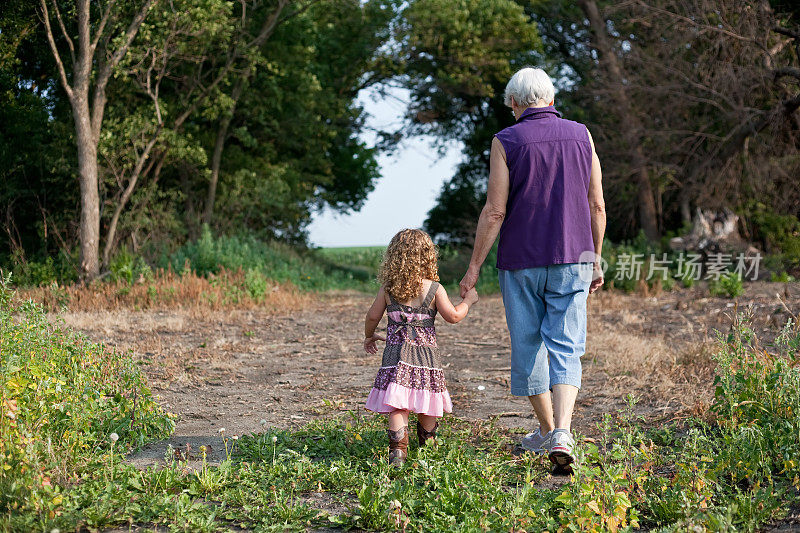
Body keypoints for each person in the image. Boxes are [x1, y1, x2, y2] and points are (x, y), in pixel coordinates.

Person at [458, 67, 606, 473]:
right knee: (566, 345)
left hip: (521, 260)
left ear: (513, 103)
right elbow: (597, 205)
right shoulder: (583, 135)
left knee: (528, 345)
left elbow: (495, 211)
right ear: (551, 98)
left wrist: (472, 270)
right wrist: (596, 256)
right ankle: (561, 433)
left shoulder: (506, 140)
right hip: (573, 256)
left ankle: (548, 430)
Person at [364, 228, 479, 466]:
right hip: (426, 356)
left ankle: (398, 451)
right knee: (427, 397)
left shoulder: (388, 288)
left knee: (398, 403)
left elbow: (372, 316)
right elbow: (454, 316)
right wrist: (468, 301)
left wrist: (369, 336)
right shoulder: (434, 289)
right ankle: (428, 446)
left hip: (396, 355)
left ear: (394, 256)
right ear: (428, 256)